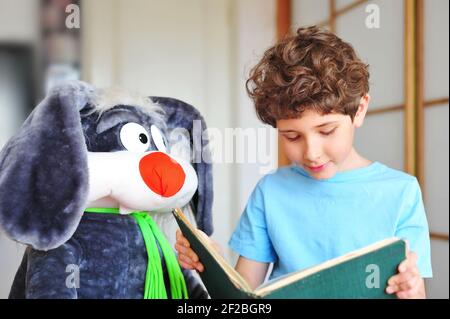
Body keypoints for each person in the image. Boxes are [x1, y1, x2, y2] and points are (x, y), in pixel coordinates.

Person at [175, 26, 432, 299]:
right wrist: (213, 267)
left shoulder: (401, 192)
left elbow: (414, 291)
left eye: (326, 131)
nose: (311, 153)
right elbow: (244, 295)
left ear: (359, 110)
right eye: (292, 136)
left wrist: (412, 290)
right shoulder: (270, 191)